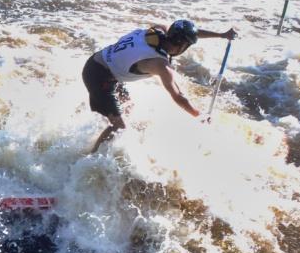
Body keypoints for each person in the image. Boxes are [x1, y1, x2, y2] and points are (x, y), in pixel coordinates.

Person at [84, 19, 237, 153]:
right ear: (181, 45)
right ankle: (91, 158)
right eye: (187, 45)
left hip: (98, 63)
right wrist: (199, 115)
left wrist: (221, 35)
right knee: (119, 128)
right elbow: (178, 96)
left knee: (128, 106)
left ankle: (100, 119)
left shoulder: (159, 30)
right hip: (99, 78)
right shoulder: (160, 65)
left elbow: (190, 33)